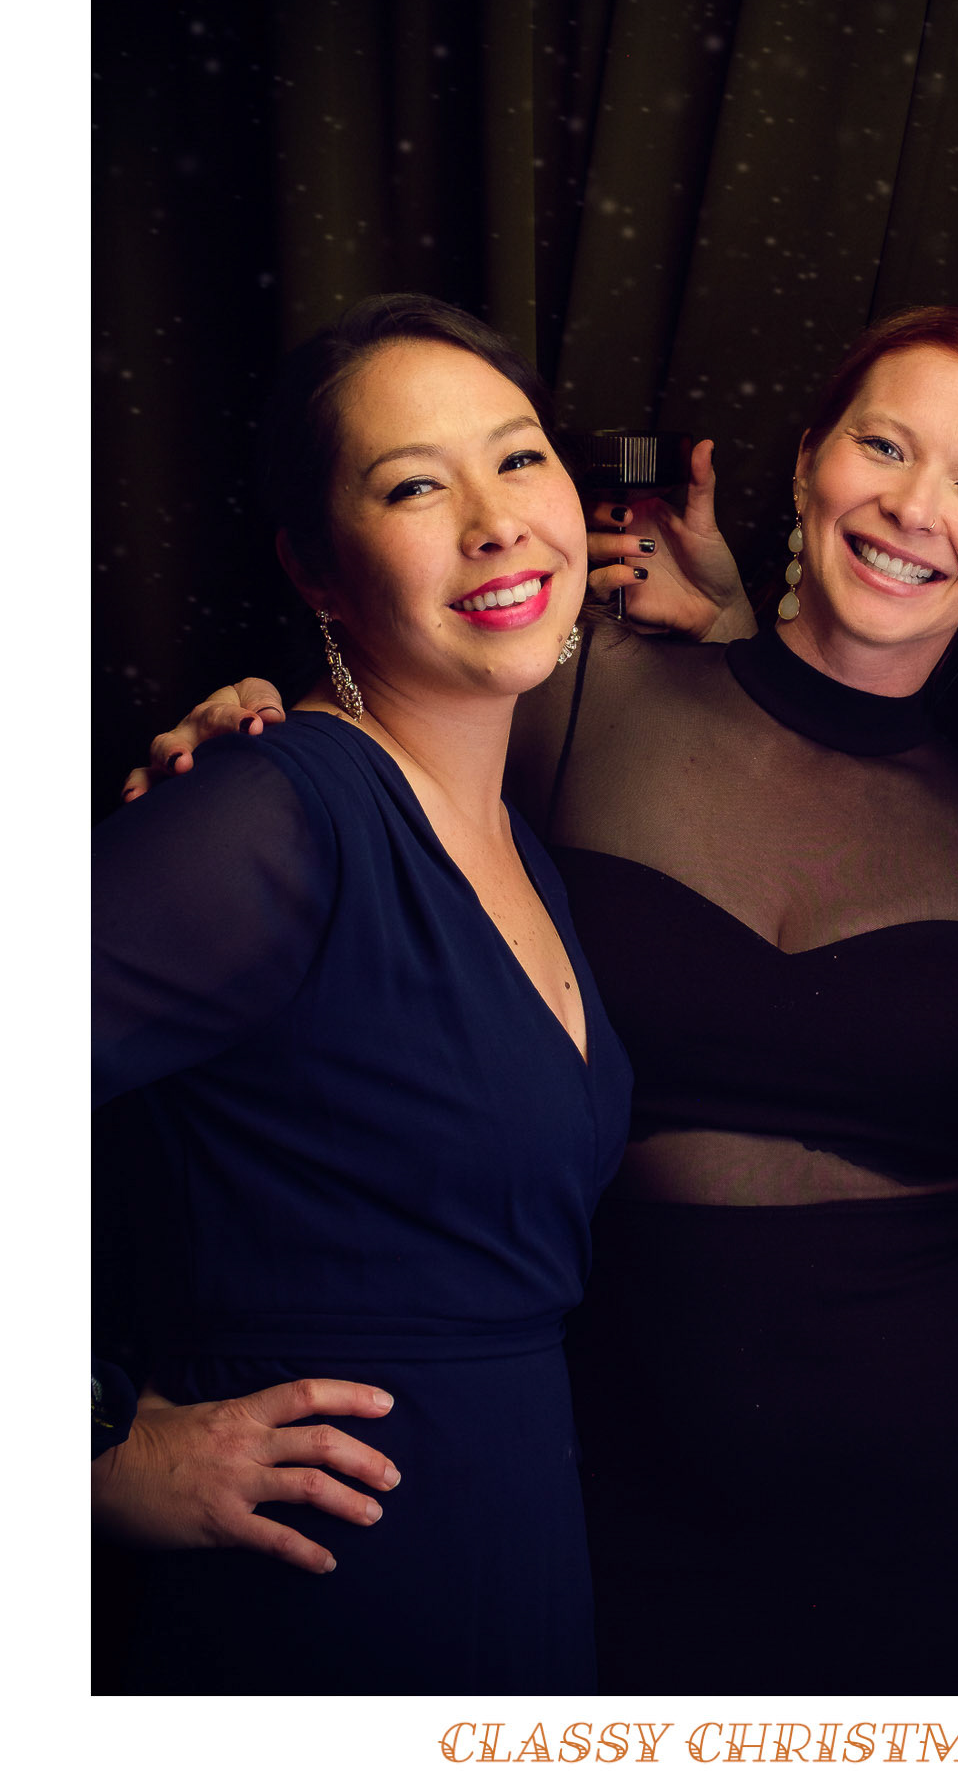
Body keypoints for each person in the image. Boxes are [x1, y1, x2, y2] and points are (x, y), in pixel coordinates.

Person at [126, 305, 958, 1695]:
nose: (915, 506)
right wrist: (250, 730)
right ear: (808, 463)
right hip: (612, 1488)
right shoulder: (576, 700)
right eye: (885, 446)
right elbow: (382, 782)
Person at [92, 294, 633, 1693]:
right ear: (318, 571)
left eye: (519, 458)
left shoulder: (511, 839)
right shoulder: (275, 812)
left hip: (509, 1564)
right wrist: (92, 1456)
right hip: (322, 1612)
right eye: (412, 486)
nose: (496, 521)